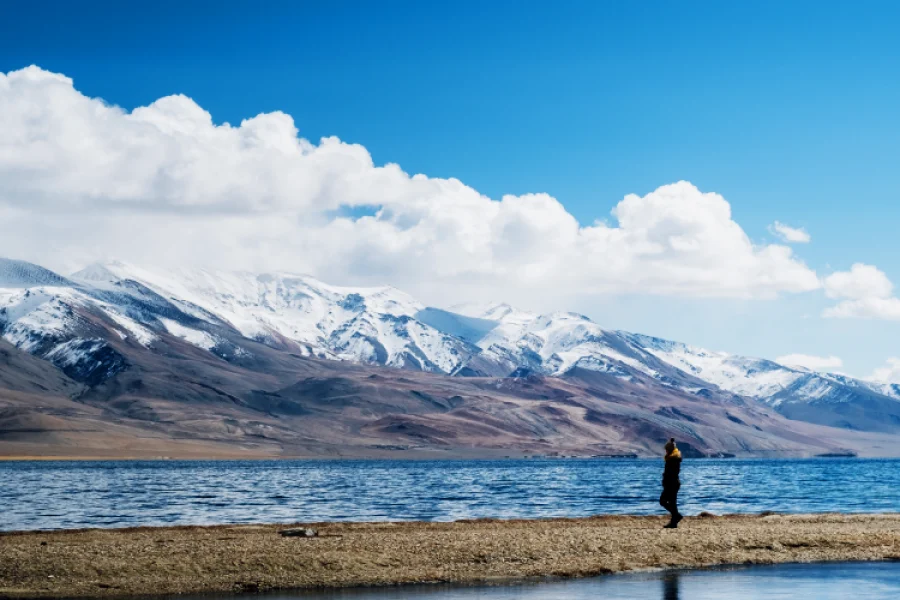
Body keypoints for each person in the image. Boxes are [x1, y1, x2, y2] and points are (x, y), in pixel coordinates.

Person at [660, 438, 683, 528]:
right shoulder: (674, 458)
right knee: (672, 503)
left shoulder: (672, 460)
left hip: (671, 484)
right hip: (674, 483)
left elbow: (670, 474)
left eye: (666, 450)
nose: (665, 451)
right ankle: (674, 522)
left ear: (669, 450)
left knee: (662, 501)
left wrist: (665, 481)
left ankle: (677, 515)